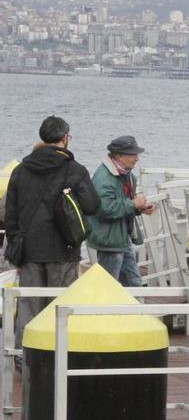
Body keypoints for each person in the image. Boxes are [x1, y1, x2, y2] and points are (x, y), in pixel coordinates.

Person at [4, 116, 102, 345]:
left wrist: (16, 243)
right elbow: (92, 205)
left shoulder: (20, 170)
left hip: (29, 249)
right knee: (60, 306)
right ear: (65, 138)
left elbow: (10, 213)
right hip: (64, 248)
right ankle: (54, 354)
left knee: (29, 305)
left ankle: (24, 355)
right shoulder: (74, 170)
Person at [87, 136, 154, 287]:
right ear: (119, 156)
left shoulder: (125, 174)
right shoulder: (104, 178)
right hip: (110, 241)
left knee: (134, 283)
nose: (137, 158)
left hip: (121, 239)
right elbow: (105, 209)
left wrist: (139, 208)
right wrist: (133, 204)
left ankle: (136, 310)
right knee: (109, 285)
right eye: (133, 155)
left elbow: (121, 204)